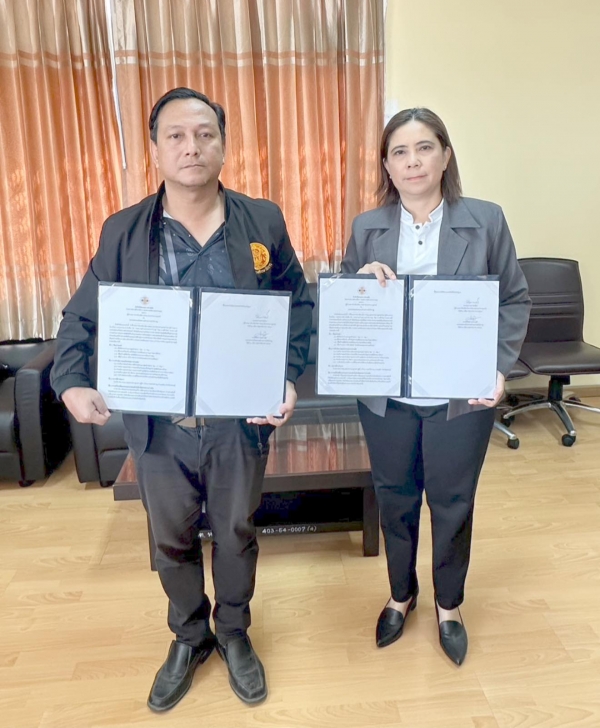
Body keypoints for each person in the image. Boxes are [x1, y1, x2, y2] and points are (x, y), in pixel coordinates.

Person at [51, 87, 312, 709]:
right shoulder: (123, 230)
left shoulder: (262, 220)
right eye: (176, 136)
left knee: (236, 531)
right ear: (155, 149)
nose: (191, 147)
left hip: (238, 422)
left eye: (204, 134)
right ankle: (190, 635)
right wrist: (70, 380)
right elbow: (81, 316)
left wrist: (287, 376)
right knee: (169, 538)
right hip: (161, 426)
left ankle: (234, 632)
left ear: (223, 144)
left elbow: (297, 306)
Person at [341, 107, 530, 665]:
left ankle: (450, 604)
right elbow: (345, 307)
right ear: (386, 166)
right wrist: (358, 286)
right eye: (399, 152)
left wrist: (499, 366)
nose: (413, 161)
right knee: (395, 498)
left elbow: (514, 298)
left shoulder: (485, 220)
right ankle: (401, 595)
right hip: (387, 396)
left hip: (459, 395)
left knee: (452, 500)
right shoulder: (367, 227)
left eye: (425, 148)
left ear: (446, 155)